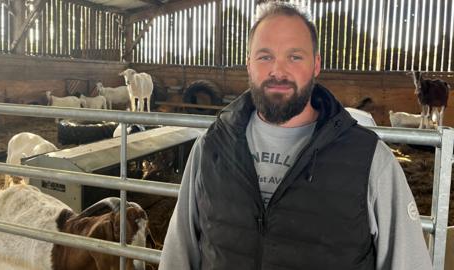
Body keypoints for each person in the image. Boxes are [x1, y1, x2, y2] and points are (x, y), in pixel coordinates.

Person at [159, 2, 432, 270]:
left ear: (315, 65)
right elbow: (178, 256)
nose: (278, 71)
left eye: (294, 56)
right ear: (249, 65)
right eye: (265, 56)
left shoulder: (371, 161)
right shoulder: (210, 148)